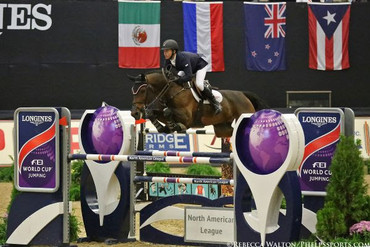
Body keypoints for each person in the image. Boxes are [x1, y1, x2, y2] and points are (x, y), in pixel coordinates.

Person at [161, 39, 222, 115]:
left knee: (199, 84)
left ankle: (215, 103)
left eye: (167, 51)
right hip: (188, 67)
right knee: (178, 78)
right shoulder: (168, 60)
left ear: (174, 51)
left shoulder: (182, 59)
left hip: (200, 66)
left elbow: (189, 76)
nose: (165, 53)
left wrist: (178, 80)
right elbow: (165, 73)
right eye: (164, 51)